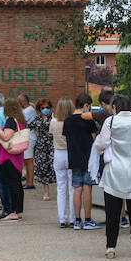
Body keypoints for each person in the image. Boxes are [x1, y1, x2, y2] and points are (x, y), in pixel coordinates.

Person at [95, 95, 131, 258]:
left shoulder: (111, 122)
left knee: (112, 212)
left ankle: (110, 247)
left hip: (115, 171)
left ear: (115, 107)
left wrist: (100, 151)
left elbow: (102, 143)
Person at [63, 91, 101, 229]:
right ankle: (88, 219)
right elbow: (94, 138)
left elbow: (66, 138)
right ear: (85, 105)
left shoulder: (67, 120)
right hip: (88, 158)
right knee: (87, 188)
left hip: (74, 157)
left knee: (77, 189)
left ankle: (77, 220)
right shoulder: (88, 120)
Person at [0, 97, 28, 221]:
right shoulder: (20, 120)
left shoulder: (10, 121)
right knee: (17, 184)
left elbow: (6, 137)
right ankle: (18, 211)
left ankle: (13, 212)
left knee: (12, 184)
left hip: (9, 157)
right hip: (17, 157)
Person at [51, 97, 75, 227]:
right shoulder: (72, 121)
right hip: (70, 153)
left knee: (60, 188)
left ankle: (62, 218)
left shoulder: (53, 122)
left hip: (58, 153)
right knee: (72, 187)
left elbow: (51, 134)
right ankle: (72, 218)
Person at [29, 98, 56, 200]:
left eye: (47, 107)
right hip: (41, 147)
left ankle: (60, 189)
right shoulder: (37, 119)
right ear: (39, 109)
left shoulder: (54, 118)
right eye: (43, 108)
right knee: (43, 169)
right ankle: (46, 192)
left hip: (52, 146)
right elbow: (28, 126)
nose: (45, 109)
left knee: (54, 167)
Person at [20, 93, 37, 188]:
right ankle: (27, 181)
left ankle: (30, 183)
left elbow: (23, 120)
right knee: (26, 161)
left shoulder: (29, 110)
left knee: (29, 160)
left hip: (29, 137)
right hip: (26, 137)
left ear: (24, 101)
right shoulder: (25, 110)